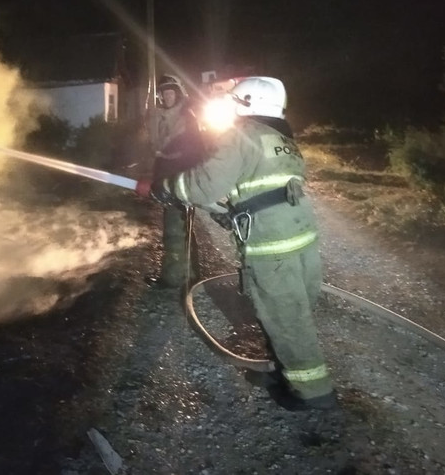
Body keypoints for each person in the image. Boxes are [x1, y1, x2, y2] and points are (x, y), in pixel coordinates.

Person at [135, 76, 336, 411]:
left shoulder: (240, 135)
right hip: (300, 237)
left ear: (248, 104)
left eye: (234, 101)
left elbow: (202, 185)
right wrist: (232, 212)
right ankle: (282, 369)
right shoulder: (281, 139)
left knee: (285, 315)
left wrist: (162, 188)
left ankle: (313, 391)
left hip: (273, 245)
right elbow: (264, 187)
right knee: (285, 309)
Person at [145, 74, 205, 288]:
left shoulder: (188, 116)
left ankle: (173, 278)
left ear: (178, 94)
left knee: (174, 229)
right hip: (167, 179)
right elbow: (156, 148)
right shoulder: (160, 117)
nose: (167, 96)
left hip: (182, 180)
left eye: (171, 92)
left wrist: (186, 178)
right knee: (181, 227)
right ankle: (191, 274)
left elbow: (194, 148)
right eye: (164, 92)